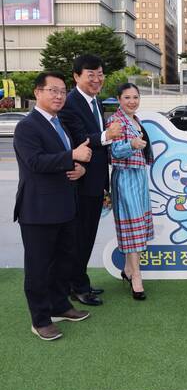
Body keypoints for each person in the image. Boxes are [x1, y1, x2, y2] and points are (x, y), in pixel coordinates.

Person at [13, 71, 93, 340]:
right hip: (38, 210)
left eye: (62, 91)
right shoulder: (27, 126)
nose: (59, 96)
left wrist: (79, 168)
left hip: (65, 206)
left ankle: (60, 306)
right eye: (53, 90)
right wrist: (72, 155)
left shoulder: (59, 124)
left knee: (64, 261)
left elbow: (66, 160)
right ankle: (40, 319)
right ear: (38, 92)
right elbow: (35, 162)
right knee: (39, 267)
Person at [59, 54, 123, 306]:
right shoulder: (70, 102)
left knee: (86, 237)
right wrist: (108, 134)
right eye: (91, 75)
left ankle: (79, 282)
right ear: (76, 76)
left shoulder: (95, 102)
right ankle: (76, 287)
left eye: (100, 74)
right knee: (79, 238)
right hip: (80, 183)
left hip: (95, 182)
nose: (97, 79)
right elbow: (81, 138)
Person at [107, 83, 154, 300]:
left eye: (135, 97)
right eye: (127, 97)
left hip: (139, 177)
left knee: (138, 227)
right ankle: (136, 276)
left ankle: (128, 270)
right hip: (125, 177)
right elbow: (114, 151)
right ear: (119, 99)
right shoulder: (115, 121)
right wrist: (132, 144)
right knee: (133, 229)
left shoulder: (135, 120)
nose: (132, 101)